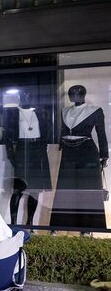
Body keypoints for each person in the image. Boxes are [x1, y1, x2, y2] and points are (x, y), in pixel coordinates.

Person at [50, 85, 108, 231]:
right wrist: (60, 146)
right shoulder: (65, 111)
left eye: (75, 93)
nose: (71, 95)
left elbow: (101, 134)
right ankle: (60, 225)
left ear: (82, 94)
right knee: (65, 188)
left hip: (87, 151)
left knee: (87, 188)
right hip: (68, 152)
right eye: (70, 93)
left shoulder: (95, 110)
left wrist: (104, 155)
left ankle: (87, 227)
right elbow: (63, 131)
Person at [2, 89, 51, 225]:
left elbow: (46, 131)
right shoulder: (12, 113)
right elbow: (7, 136)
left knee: (35, 190)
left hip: (38, 149)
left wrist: (43, 148)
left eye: (29, 95)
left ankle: (30, 223)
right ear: (19, 97)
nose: (26, 97)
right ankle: (13, 223)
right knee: (18, 188)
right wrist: (11, 154)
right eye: (23, 95)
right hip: (22, 149)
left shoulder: (40, 112)